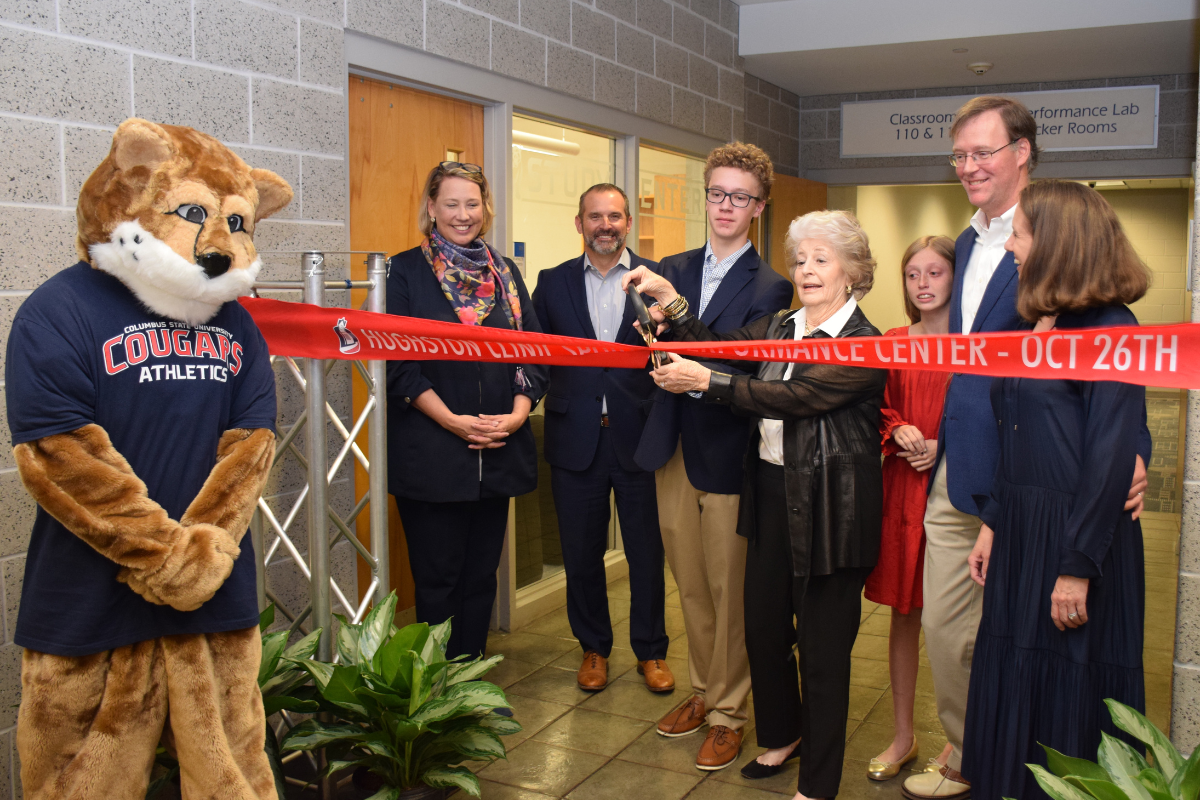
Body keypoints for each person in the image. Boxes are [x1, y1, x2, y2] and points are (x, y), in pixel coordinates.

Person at [901, 97, 1151, 800]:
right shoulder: (973, 248)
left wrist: (1135, 453)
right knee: (987, 655)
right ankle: (981, 760)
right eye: (960, 155)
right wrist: (995, 519)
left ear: (1023, 154)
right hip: (996, 494)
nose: (969, 167)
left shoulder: (1101, 316)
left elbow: (1112, 416)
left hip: (1065, 518)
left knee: (1067, 677)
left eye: (983, 152)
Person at [626, 209, 886, 800]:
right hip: (769, 494)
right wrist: (673, 304)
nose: (807, 270)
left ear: (853, 271)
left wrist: (706, 383)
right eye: (800, 260)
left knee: (822, 653)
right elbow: (721, 346)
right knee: (765, 632)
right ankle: (782, 735)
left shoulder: (864, 345)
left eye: (822, 259)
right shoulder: (781, 325)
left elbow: (792, 396)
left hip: (830, 510)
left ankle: (819, 783)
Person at [961, 180, 1150, 799]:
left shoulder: (1112, 326)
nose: (1011, 246)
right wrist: (993, 520)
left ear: (1057, 243)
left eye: (1019, 233)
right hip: (1020, 529)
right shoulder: (1029, 320)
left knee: (1070, 686)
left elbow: (1110, 454)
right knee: (1012, 672)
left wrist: (1077, 567)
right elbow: (1015, 434)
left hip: (1077, 537)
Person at [635, 142, 793, 771]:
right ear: (705, 195)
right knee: (691, 584)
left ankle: (730, 713)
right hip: (671, 442)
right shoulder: (670, 262)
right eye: (717, 193)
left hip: (729, 450)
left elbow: (734, 360)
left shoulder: (772, 284)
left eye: (741, 197)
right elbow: (647, 344)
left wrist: (673, 310)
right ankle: (704, 691)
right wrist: (650, 334)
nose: (727, 206)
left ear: (759, 206)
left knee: (731, 591)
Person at [385, 161, 547, 660]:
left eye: (472, 204)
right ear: (431, 209)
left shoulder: (506, 274)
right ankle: (434, 693)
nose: (462, 214)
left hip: (497, 452)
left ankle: (471, 680)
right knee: (438, 582)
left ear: (486, 208)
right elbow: (397, 365)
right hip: (432, 455)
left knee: (481, 578)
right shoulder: (403, 271)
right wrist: (453, 421)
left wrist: (519, 413)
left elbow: (534, 352)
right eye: (451, 204)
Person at [530, 183, 672, 693]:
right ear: (580, 223)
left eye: (614, 216)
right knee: (581, 553)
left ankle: (651, 652)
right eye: (595, 217)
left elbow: (678, 350)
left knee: (645, 552)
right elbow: (536, 357)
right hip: (575, 439)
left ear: (628, 223)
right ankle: (593, 648)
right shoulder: (551, 283)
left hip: (639, 437)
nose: (605, 225)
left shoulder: (658, 280)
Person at [866, 236, 957, 781]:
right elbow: (873, 403)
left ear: (956, 277)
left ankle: (960, 740)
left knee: (957, 626)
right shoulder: (893, 341)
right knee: (905, 614)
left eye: (935, 273)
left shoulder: (978, 343)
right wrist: (895, 426)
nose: (922, 284)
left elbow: (993, 415)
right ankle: (903, 734)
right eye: (912, 274)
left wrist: (943, 443)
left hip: (954, 490)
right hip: (901, 488)